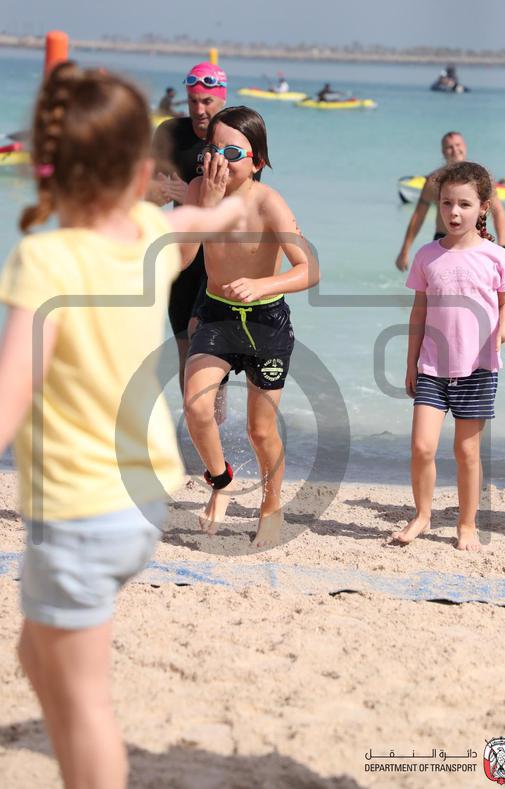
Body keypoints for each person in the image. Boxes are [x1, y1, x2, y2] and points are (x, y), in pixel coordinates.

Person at [0, 62, 244, 789]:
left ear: (45, 167)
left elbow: (9, 396)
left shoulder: (46, 260)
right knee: (37, 653)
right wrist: (222, 201)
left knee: (84, 704)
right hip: (141, 501)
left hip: (82, 510)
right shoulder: (145, 230)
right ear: (141, 169)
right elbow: (199, 221)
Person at [181, 106, 320, 548]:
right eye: (212, 150)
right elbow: (182, 260)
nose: (219, 161)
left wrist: (263, 284)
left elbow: (309, 269)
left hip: (265, 321)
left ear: (257, 160)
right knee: (196, 407)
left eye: (232, 152)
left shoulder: (268, 203)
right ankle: (221, 482)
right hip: (217, 315)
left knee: (259, 431)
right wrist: (204, 209)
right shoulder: (198, 190)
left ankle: (271, 506)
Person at [392, 161, 505, 551]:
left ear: (483, 207)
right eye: (447, 203)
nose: (454, 212)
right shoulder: (427, 256)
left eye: (464, 204)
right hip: (432, 367)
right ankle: (422, 515)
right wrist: (411, 363)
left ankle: (467, 524)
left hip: (478, 367)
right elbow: (418, 313)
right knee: (422, 447)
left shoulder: (496, 256)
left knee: (466, 452)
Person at [147, 62, 229, 394]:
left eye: (207, 101)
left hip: (221, 257)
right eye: (193, 100)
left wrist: (190, 197)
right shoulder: (170, 133)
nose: (199, 110)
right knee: (185, 345)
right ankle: (195, 422)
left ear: (223, 99)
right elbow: (146, 198)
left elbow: (242, 208)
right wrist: (158, 194)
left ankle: (216, 417)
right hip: (182, 255)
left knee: (206, 343)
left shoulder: (235, 137)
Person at [395, 132, 505, 271]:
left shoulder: (480, 179)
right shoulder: (434, 181)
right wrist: (405, 250)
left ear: (465, 146)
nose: (455, 150)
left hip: (474, 241)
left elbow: (498, 212)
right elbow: (418, 216)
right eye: (449, 147)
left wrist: (503, 246)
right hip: (442, 241)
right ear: (443, 152)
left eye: (458, 145)